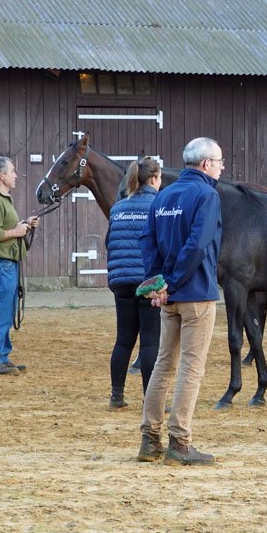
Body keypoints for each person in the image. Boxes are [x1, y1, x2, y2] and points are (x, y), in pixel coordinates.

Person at [135, 137, 225, 465]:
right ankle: (180, 441)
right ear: (206, 164)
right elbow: (197, 245)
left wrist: (158, 284)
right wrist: (170, 283)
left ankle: (149, 439)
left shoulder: (164, 195)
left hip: (169, 297)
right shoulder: (207, 195)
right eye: (219, 162)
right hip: (196, 293)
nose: (221, 168)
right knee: (191, 367)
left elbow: (148, 240)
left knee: (164, 364)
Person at [104, 157, 163, 410]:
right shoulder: (158, 205)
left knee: (124, 339)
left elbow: (109, 242)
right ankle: (150, 399)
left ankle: (116, 395)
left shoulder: (118, 208)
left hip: (121, 281)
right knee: (150, 340)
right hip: (147, 280)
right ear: (154, 179)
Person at [0, 156, 39, 375]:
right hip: (1, 264)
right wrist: (16, 232)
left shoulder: (1, 198)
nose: (16, 175)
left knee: (6, 310)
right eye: (12, 171)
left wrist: (24, 225)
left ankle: (1, 356)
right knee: (0, 311)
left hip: (7, 263)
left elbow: (2, 228)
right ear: (2, 175)